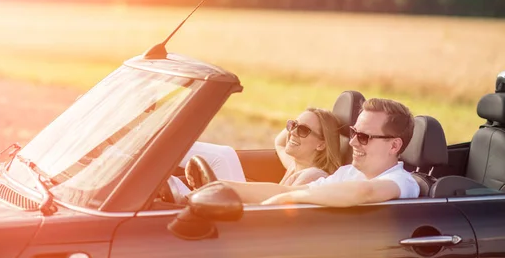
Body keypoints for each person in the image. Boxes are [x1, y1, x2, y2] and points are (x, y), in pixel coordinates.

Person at [229, 98, 419, 206]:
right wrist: (226, 188)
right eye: (353, 133)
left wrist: (288, 198)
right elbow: (287, 190)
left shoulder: (401, 181)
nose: (353, 142)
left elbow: (365, 191)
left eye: (364, 137)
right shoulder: (347, 173)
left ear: (394, 146)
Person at [169, 107, 343, 196]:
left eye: (303, 130)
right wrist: (307, 117)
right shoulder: (295, 165)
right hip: (253, 212)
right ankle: (172, 186)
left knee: (224, 156)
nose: (293, 132)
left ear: (321, 145)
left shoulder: (312, 175)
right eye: (293, 125)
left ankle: (158, 156)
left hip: (253, 219)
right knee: (222, 157)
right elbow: (280, 143)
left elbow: (280, 212)